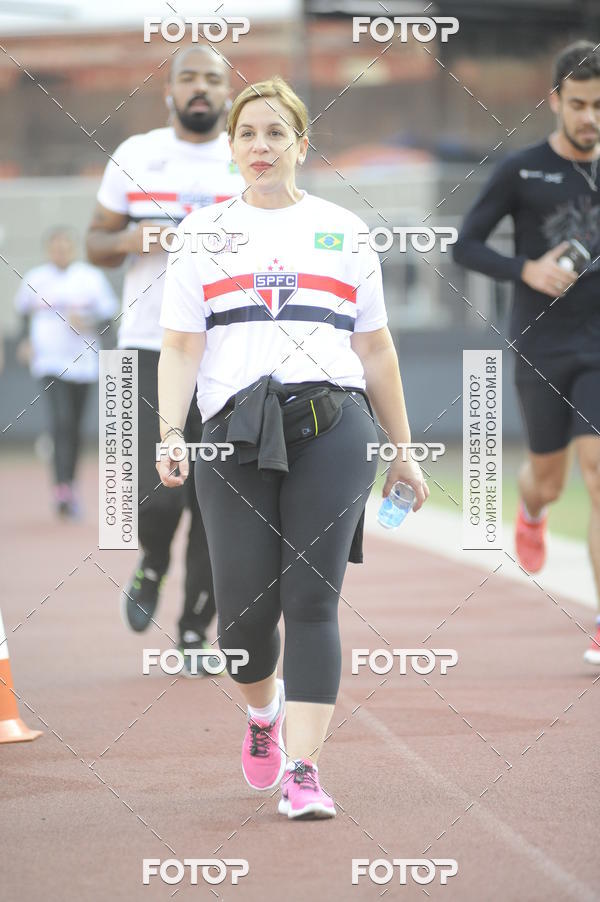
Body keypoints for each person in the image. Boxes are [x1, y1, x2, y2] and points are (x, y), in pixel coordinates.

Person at [156, 76, 428, 818]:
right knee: (243, 622)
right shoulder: (202, 234)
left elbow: (376, 351)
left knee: (312, 601)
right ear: (232, 148)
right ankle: (262, 714)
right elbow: (180, 347)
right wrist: (171, 432)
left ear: (302, 145)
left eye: (277, 133)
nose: (262, 146)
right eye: (248, 134)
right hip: (233, 435)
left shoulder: (343, 230)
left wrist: (402, 449)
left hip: (335, 428)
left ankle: (304, 770)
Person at [86, 46, 244, 675]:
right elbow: (97, 240)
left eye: (212, 79)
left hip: (231, 353)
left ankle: (194, 629)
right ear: (170, 92)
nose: (200, 88)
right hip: (150, 346)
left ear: (227, 93)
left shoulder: (248, 156)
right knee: (157, 497)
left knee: (215, 502)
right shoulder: (136, 154)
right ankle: (151, 561)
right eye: (189, 78)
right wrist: (136, 237)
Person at [453, 40, 600, 666]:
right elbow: (466, 246)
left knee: (597, 472)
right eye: (579, 104)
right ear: (554, 102)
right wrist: (526, 269)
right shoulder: (520, 170)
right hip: (540, 342)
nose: (590, 117)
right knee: (549, 478)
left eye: (599, 105)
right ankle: (531, 510)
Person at [14, 226, 117, 517]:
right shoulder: (36, 278)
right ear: (48, 250)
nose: (60, 252)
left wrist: (87, 321)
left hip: (84, 364)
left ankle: (69, 484)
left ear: (74, 248)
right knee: (61, 420)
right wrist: (24, 340)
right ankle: (61, 487)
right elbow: (22, 312)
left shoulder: (91, 278)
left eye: (65, 246)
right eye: (55, 247)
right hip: (49, 363)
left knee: (73, 425)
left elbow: (110, 320)